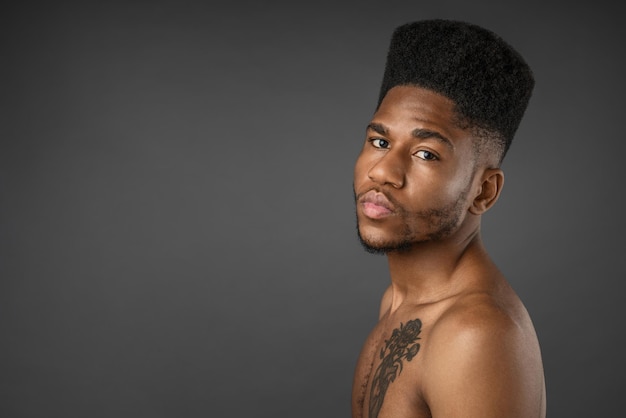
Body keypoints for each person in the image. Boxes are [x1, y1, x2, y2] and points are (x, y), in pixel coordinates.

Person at [351, 20, 546, 418]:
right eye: (380, 142)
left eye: (426, 153)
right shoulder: (398, 301)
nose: (384, 171)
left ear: (483, 191)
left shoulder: (474, 334)